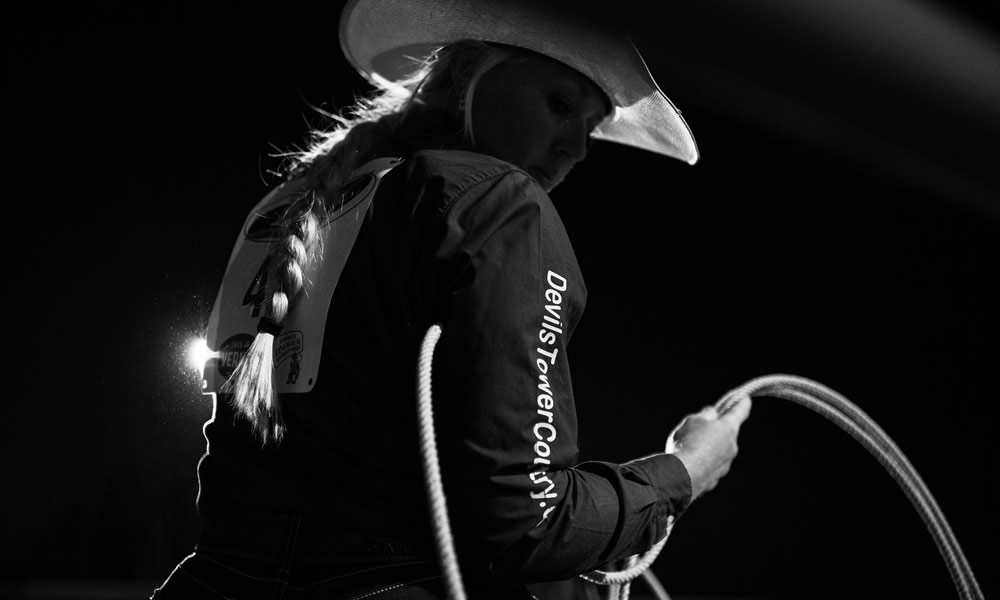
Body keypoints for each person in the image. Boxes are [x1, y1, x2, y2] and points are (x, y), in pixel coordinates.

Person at [152, 0, 751, 598]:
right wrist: (685, 472)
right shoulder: (498, 203)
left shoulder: (286, 205)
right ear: (470, 76)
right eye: (561, 104)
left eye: (590, 127)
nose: (577, 147)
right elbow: (533, 526)